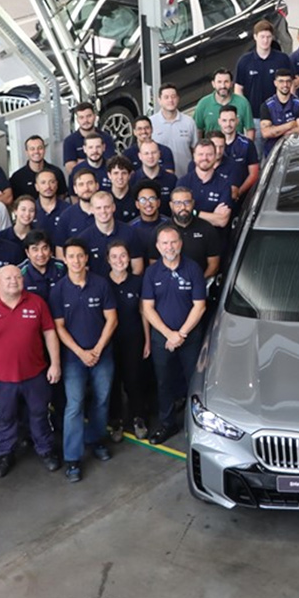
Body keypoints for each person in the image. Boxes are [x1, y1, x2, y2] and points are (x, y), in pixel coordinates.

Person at [0, 265, 63, 479]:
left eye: (18, 277)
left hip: (35, 375)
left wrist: (55, 363)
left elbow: (49, 334)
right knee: (6, 417)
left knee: (40, 414)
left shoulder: (37, 302)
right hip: (1, 379)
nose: (13, 281)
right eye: (8, 278)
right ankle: (5, 453)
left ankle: (45, 450)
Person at [49, 239, 117, 482]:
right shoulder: (58, 290)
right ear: (64, 259)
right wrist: (80, 352)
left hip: (102, 355)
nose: (76, 261)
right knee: (74, 405)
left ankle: (96, 440)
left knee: (101, 400)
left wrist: (97, 349)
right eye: (71, 256)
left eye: (80, 256)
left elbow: (112, 319)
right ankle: (73, 458)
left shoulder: (101, 284)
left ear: (86, 258)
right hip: (73, 359)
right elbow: (58, 327)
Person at [140, 226, 207, 443]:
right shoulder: (151, 273)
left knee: (193, 383)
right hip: (162, 339)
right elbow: (147, 308)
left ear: (180, 244)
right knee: (164, 383)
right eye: (165, 243)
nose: (169, 247)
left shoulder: (193, 269)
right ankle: (167, 424)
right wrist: (169, 334)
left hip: (190, 338)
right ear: (158, 247)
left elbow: (200, 306)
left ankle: (193, 427)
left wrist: (181, 335)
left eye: (173, 242)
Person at [106, 241, 149, 443]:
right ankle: (116, 422)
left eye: (123, 256)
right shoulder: (101, 283)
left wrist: (148, 341)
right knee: (113, 381)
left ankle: (138, 419)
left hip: (134, 338)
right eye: (114, 257)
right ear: (108, 260)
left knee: (134, 380)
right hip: (110, 341)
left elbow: (144, 313)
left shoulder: (138, 282)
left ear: (129, 258)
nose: (119, 260)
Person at [150, 84, 199, 173]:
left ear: (178, 99)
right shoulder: (151, 123)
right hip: (160, 179)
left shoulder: (189, 122)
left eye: (173, 97)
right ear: (159, 100)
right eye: (166, 97)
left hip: (184, 177)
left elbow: (195, 150)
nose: (170, 100)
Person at [194, 68, 255, 138]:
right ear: (213, 84)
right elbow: (197, 130)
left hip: (236, 147)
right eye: (219, 82)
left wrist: (248, 147)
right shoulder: (203, 104)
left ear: (232, 83)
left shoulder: (242, 103)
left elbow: (250, 129)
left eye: (226, 82)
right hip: (212, 147)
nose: (223, 86)